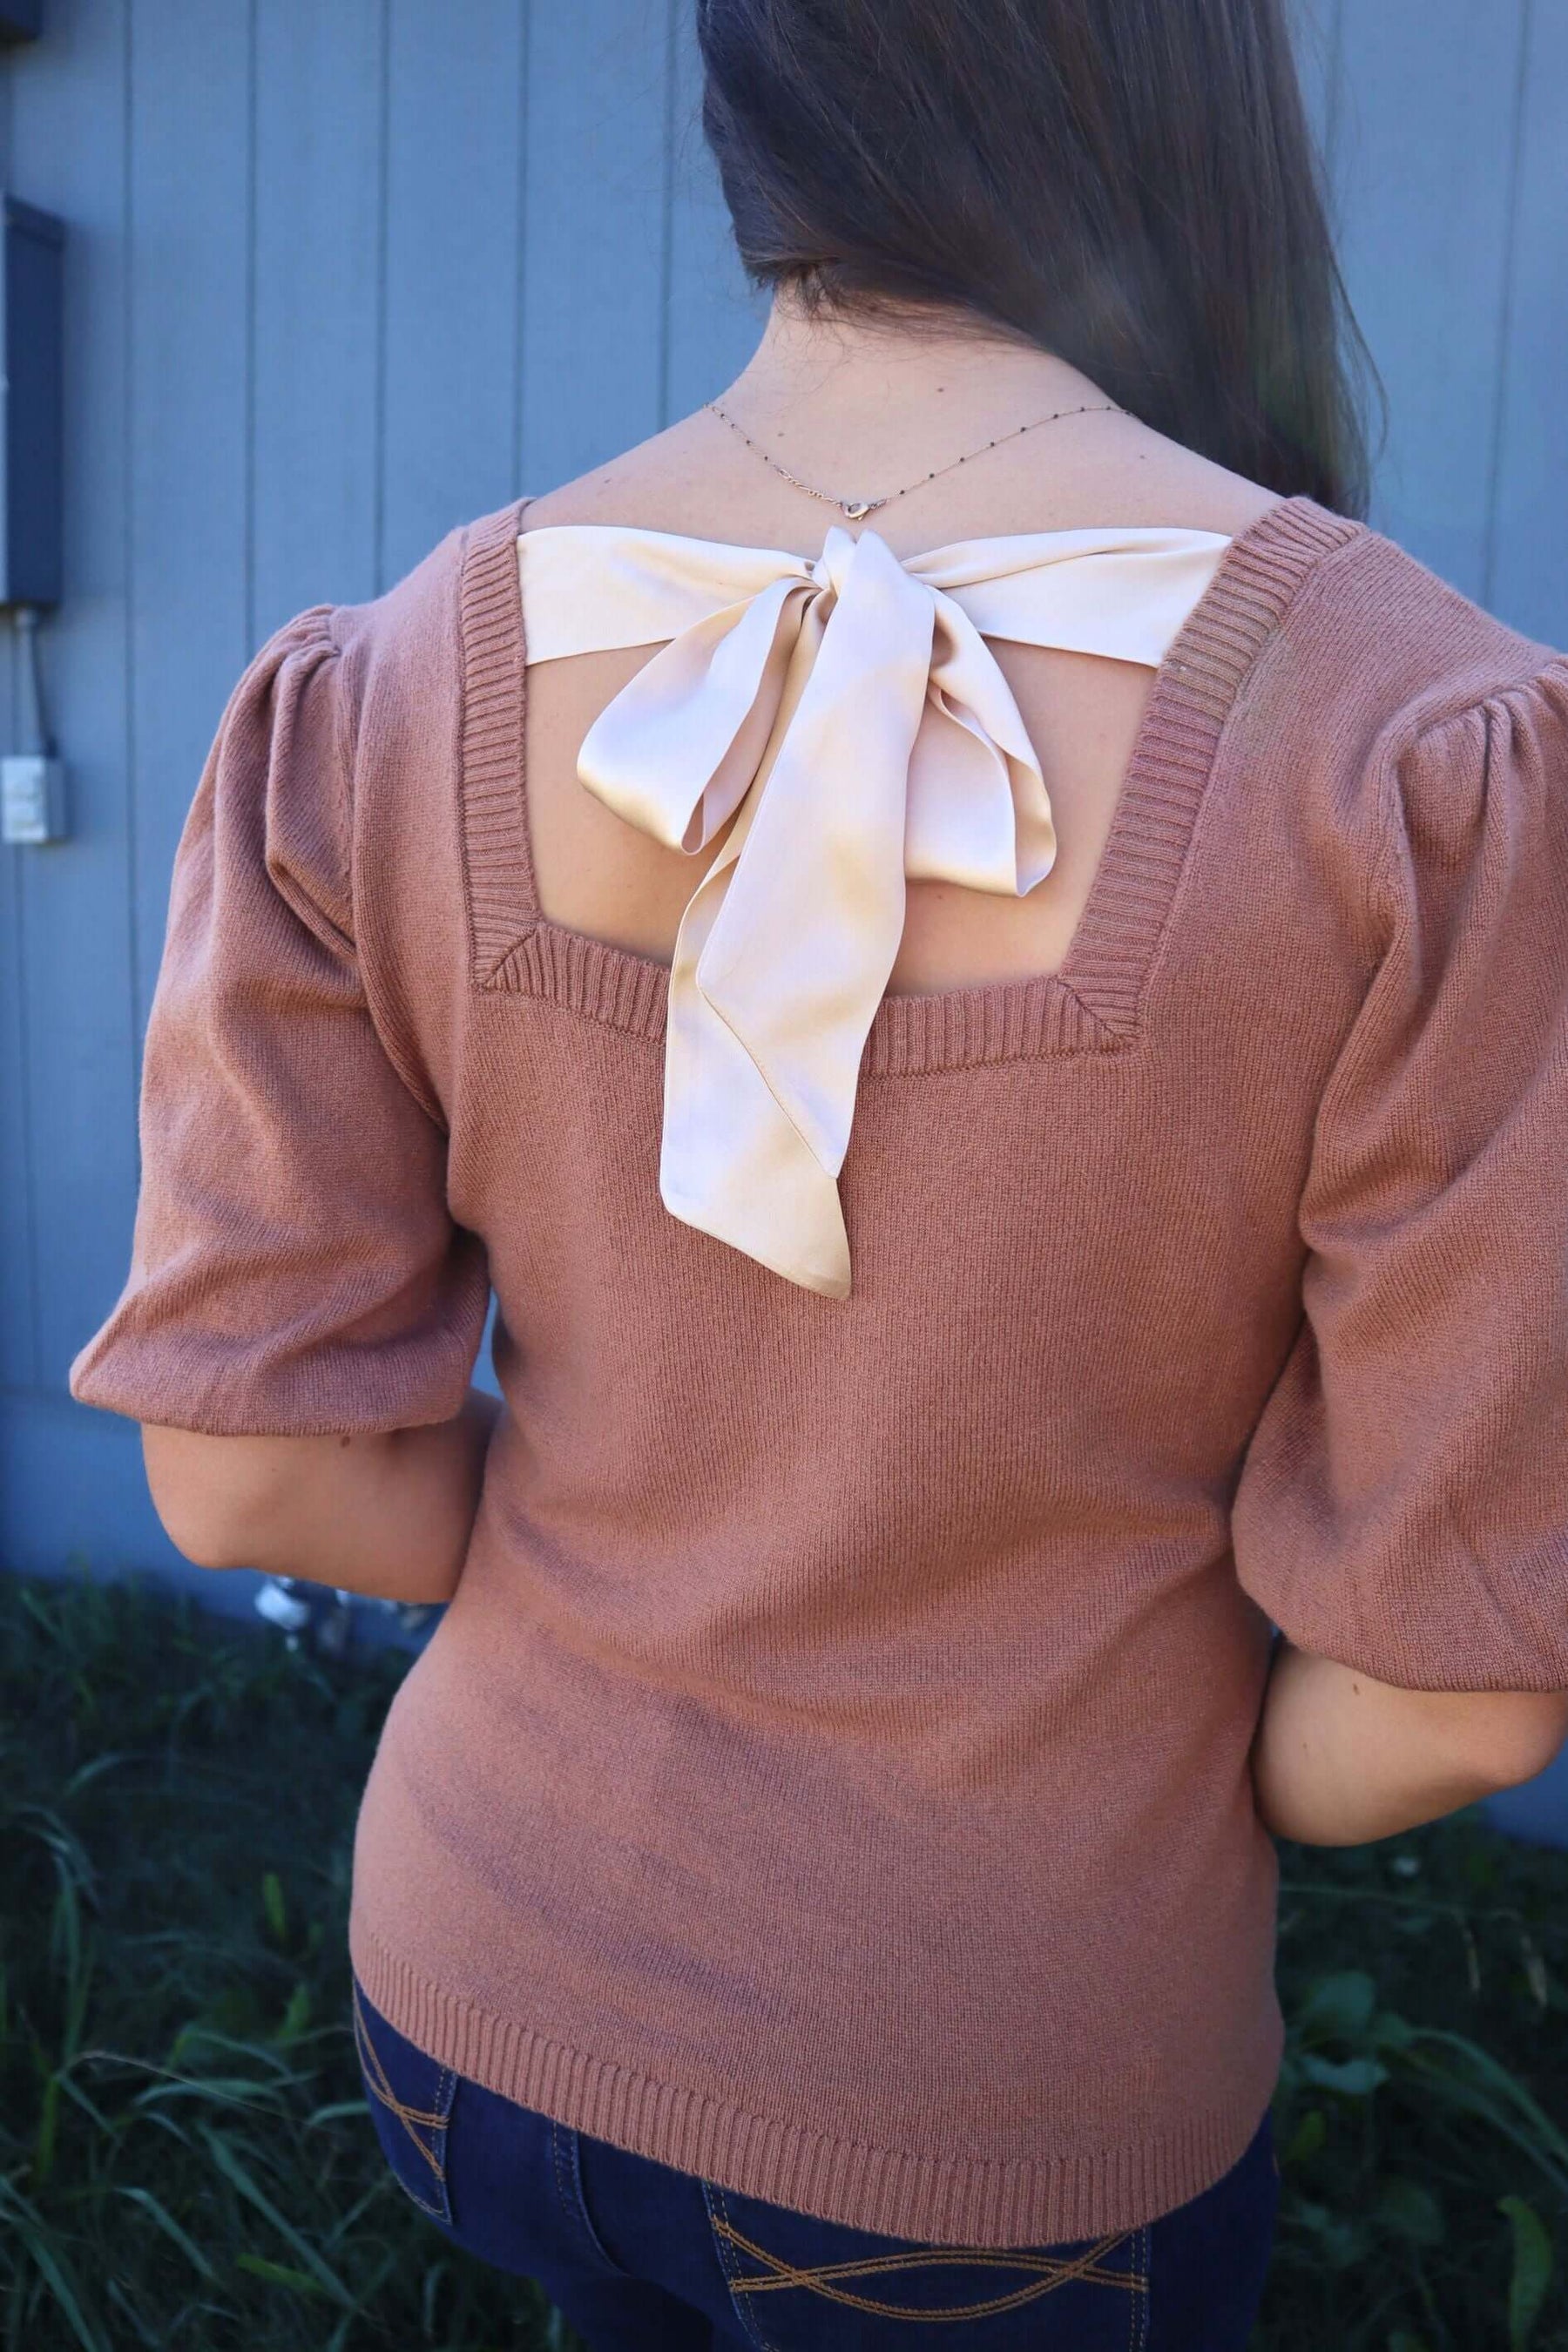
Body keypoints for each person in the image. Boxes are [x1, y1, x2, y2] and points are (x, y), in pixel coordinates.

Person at [69, 1, 1568, 2345]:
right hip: (998, 2095)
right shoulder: (1416, 755)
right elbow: (1453, 1697)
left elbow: (246, 1474)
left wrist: (632, 1541)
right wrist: (1133, 1775)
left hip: (481, 1995)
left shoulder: (392, 686)